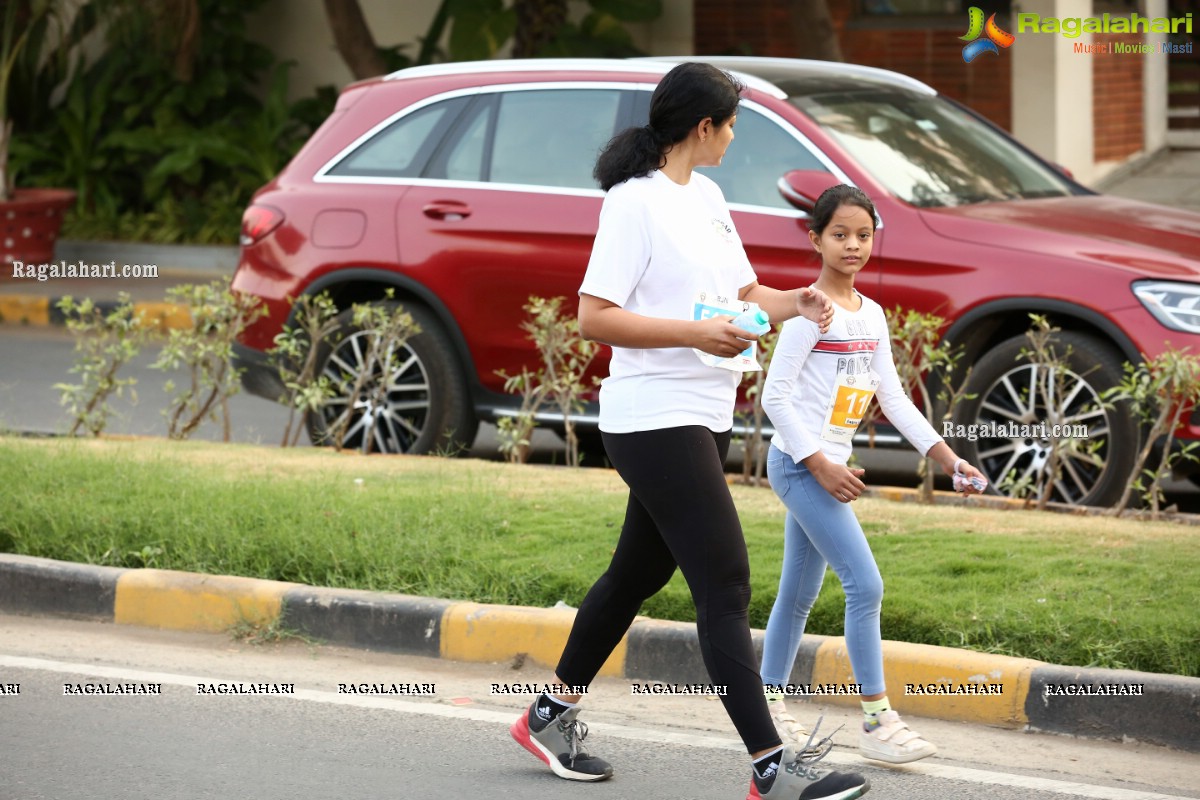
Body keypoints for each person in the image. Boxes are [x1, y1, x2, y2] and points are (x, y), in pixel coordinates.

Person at [509, 63, 871, 800]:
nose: (735, 136)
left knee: (638, 574)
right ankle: (772, 764)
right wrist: (693, 336)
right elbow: (594, 315)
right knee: (725, 582)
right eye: (731, 124)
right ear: (702, 128)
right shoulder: (632, 205)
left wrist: (795, 302)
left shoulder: (705, 197)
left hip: (700, 410)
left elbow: (740, 296)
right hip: (649, 415)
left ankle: (548, 715)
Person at [758, 184, 987, 765]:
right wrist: (820, 464)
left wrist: (948, 458)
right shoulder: (811, 313)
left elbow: (895, 398)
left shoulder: (873, 315)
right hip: (799, 463)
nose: (853, 245)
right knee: (867, 585)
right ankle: (876, 721)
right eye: (840, 234)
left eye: (863, 234)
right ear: (815, 239)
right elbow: (774, 397)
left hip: (825, 466)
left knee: (800, 592)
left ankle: (765, 702)